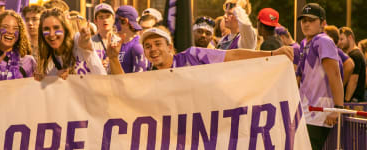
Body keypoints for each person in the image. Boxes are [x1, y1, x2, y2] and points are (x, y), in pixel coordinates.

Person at [105, 26, 292, 74]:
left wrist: (271, 54)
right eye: (147, 46)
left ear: (170, 47)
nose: (152, 49)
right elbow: (125, 89)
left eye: (157, 44)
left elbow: (232, 55)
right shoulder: (151, 76)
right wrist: (113, 58)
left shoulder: (194, 55)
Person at [296, 3, 344, 150]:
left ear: (323, 23)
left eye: (311, 20)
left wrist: (337, 108)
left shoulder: (324, 41)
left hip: (320, 113)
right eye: (304, 20)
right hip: (306, 111)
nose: (306, 24)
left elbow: (335, 75)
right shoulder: (305, 42)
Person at [34, 8, 105, 80]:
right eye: (46, 29)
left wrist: (85, 39)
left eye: (56, 28)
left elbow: (84, 43)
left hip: (100, 87)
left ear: (65, 29)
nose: (51, 34)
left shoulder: (77, 40)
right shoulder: (48, 61)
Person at [114, 5, 149, 73]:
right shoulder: (116, 44)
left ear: (125, 21)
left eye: (116, 20)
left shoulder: (138, 46)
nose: (114, 23)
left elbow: (138, 79)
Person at [339, 27, 365, 102]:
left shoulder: (355, 55)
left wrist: (346, 101)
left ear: (350, 37)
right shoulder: (356, 54)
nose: (339, 42)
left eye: (342, 39)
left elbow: (353, 80)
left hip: (353, 101)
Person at [91, 3, 118, 70]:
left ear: (113, 19)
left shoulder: (119, 41)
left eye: (108, 16)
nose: (105, 20)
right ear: (95, 21)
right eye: (101, 17)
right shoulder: (90, 42)